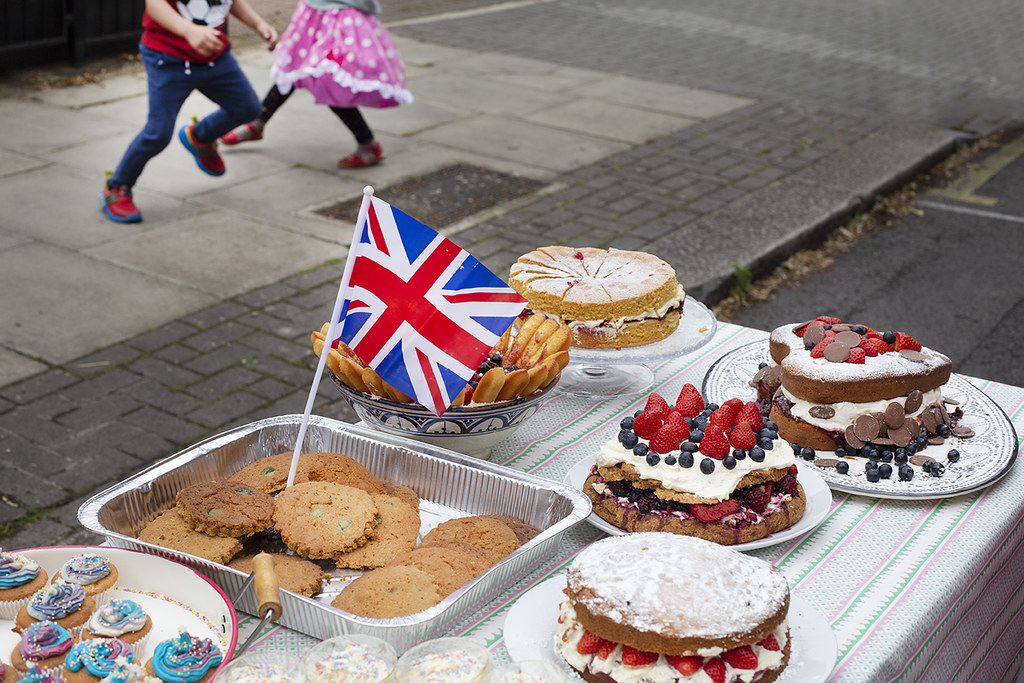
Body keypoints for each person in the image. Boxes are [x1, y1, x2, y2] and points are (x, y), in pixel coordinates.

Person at [101, 0, 278, 223]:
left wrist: (258, 23)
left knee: (247, 108)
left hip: (215, 58)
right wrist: (189, 30)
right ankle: (117, 186)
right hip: (168, 59)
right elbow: (154, 4)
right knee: (158, 133)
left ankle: (201, 137)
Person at [220, 0, 412, 168]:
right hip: (314, 15)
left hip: (340, 21)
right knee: (293, 71)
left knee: (329, 82)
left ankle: (368, 144)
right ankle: (258, 123)